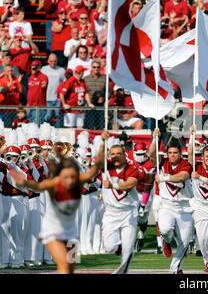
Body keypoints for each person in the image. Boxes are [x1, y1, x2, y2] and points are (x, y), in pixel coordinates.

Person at [7, 135, 105, 274]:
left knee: (71, 251)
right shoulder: (53, 180)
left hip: (70, 218)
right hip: (54, 218)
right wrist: (22, 178)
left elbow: (92, 173)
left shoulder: (77, 178)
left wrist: (102, 148)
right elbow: (36, 184)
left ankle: (69, 264)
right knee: (60, 251)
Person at [150, 128, 194, 274]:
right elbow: (151, 155)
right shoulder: (161, 163)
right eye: (170, 153)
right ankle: (166, 241)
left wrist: (164, 178)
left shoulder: (186, 164)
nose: (172, 155)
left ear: (180, 153)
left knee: (185, 242)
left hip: (185, 207)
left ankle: (175, 268)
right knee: (165, 229)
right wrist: (154, 139)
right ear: (167, 153)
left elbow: (182, 176)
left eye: (175, 153)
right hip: (167, 206)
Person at [187, 128, 208, 272]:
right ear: (202, 157)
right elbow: (189, 154)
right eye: (206, 157)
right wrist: (191, 135)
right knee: (201, 239)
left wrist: (199, 177)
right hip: (200, 207)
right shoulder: (196, 166)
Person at [102, 143, 139, 274]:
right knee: (109, 247)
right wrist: (102, 141)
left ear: (125, 155)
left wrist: (113, 185)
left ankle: (124, 272)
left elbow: (130, 184)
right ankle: (118, 247)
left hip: (129, 212)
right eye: (113, 154)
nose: (116, 157)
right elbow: (97, 159)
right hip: (110, 213)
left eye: (119, 154)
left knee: (128, 250)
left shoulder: (132, 168)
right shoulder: (106, 167)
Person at [41, 53, 65, 127]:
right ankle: (45, 131)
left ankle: (58, 132)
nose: (53, 63)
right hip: (47, 97)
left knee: (58, 116)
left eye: (55, 61)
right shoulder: (43, 69)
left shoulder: (61, 70)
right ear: (47, 61)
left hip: (57, 98)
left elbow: (65, 83)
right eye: (51, 61)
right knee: (47, 116)